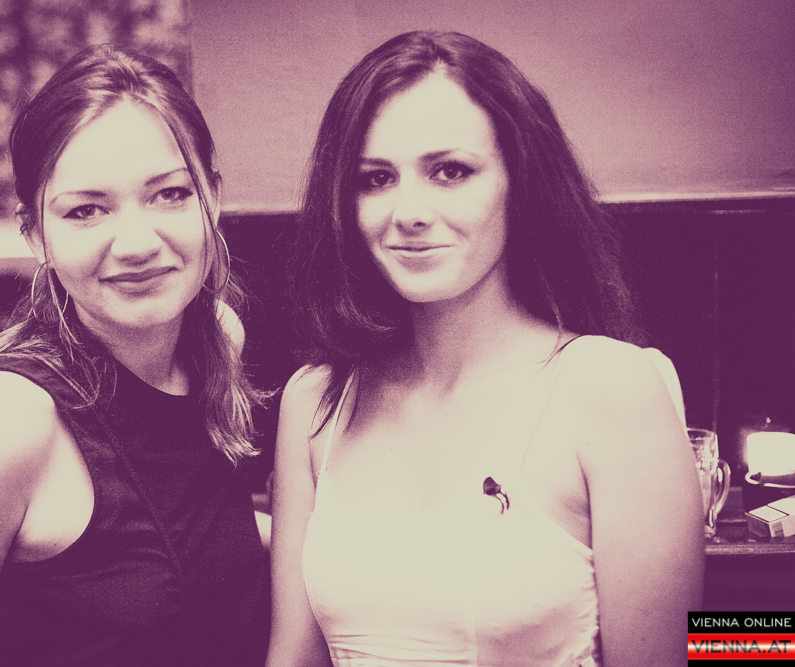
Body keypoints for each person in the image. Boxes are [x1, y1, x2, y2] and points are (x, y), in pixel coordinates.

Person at [268, 31, 703, 667]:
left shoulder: (611, 387)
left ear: (518, 182)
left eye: (450, 171)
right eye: (376, 179)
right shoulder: (315, 402)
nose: (409, 211)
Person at [0, 45, 270, 667]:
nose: (136, 243)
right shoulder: (7, 420)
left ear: (211, 198)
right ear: (35, 233)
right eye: (86, 210)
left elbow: (191, 534)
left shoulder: (216, 339)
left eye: (169, 194)